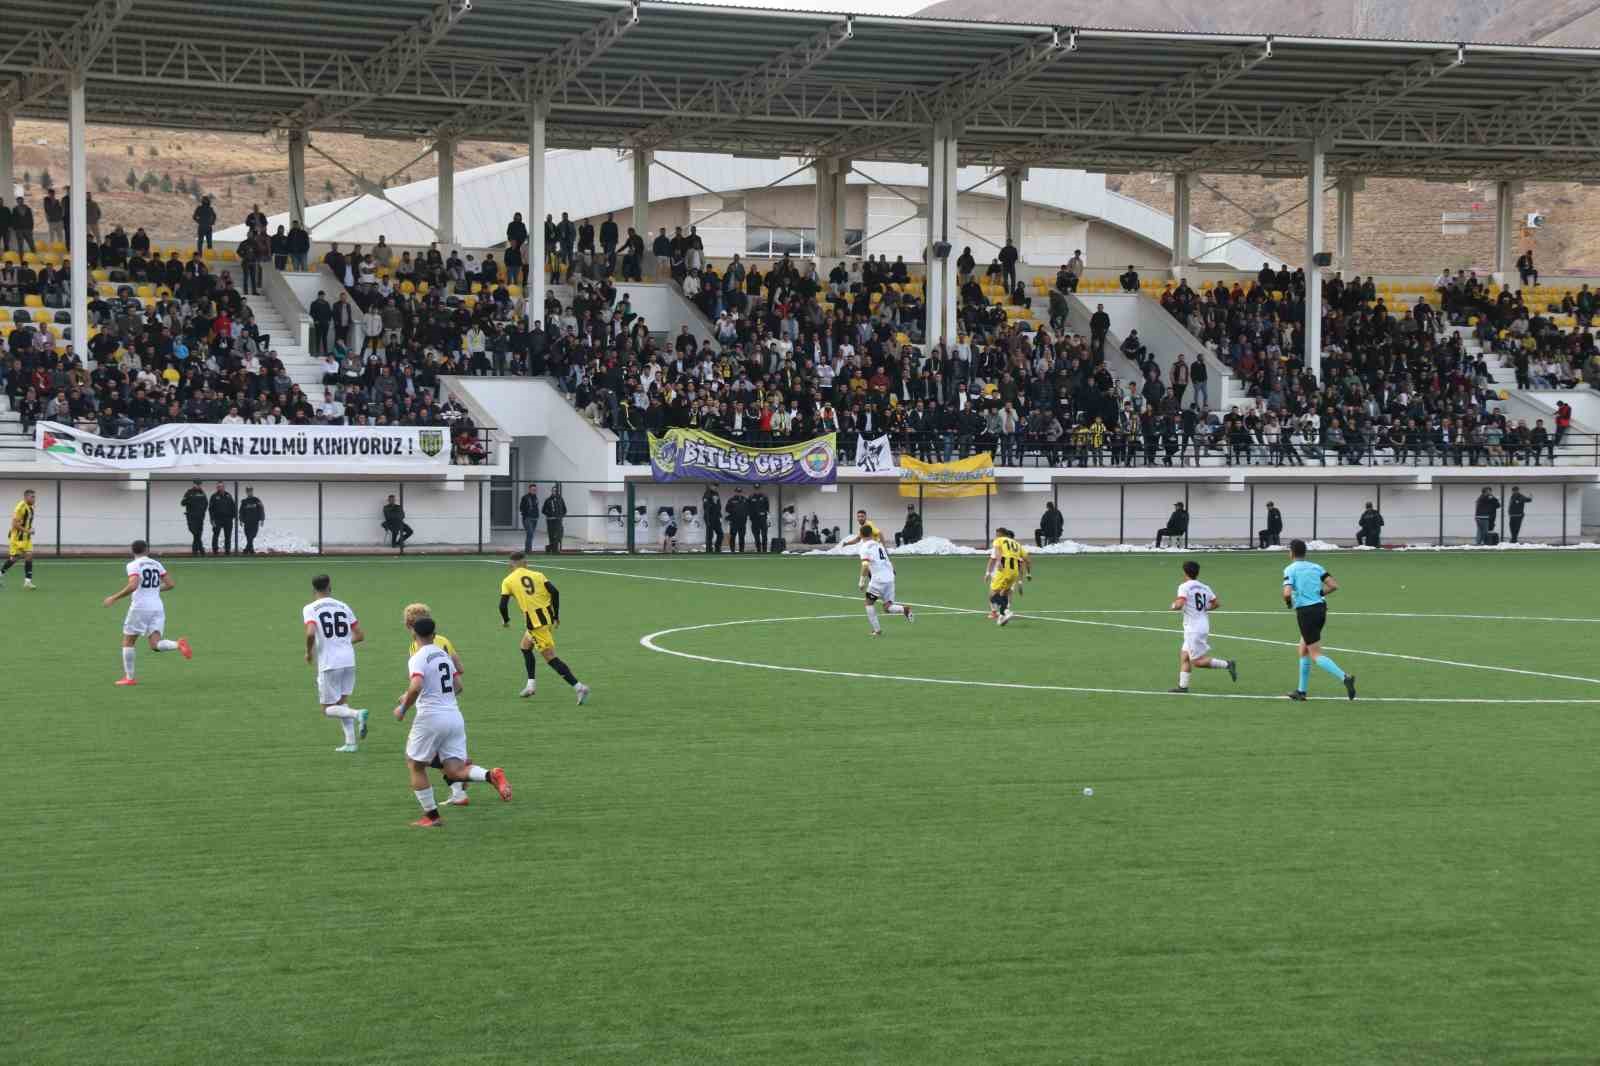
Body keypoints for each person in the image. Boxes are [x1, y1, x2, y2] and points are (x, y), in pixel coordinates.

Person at [394, 616, 512, 828]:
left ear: (414, 634)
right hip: (454, 716)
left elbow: (416, 685)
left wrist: (403, 707)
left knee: (415, 764)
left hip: (430, 718)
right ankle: (490, 775)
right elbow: (458, 686)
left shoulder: (418, 657)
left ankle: (432, 817)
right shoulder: (443, 655)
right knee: (454, 770)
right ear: (434, 633)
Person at [498, 552, 590, 704]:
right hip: (546, 618)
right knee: (525, 647)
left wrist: (506, 620)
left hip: (536, 625)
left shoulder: (508, 581)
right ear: (525, 563)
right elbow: (555, 592)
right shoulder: (538, 575)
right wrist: (556, 616)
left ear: (510, 565)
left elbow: (502, 605)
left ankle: (579, 687)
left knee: (550, 658)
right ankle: (530, 685)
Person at [403, 603, 470, 807]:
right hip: (449, 703)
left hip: (432, 709)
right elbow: (459, 668)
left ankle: (455, 788)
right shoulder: (443, 641)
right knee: (440, 752)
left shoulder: (417, 648)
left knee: (419, 758)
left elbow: (418, 682)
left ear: (410, 626)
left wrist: (405, 700)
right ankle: (458, 791)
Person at [103, 539, 193, 686]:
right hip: (157, 607)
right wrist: (154, 589)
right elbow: (171, 584)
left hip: (140, 607)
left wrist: (114, 597)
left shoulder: (133, 565)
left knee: (128, 641)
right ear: (147, 550)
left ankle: (129, 678)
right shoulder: (156, 564)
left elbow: (133, 585)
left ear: (133, 551)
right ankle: (178, 644)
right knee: (155, 644)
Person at [1282, 539, 1356, 701]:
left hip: (1306, 613)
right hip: (1321, 610)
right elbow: (1333, 585)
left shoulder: (1290, 569)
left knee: (1315, 654)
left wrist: (1288, 603)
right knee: (1303, 649)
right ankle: (1301, 691)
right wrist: (1319, 594)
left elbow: (1287, 593)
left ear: (1292, 553)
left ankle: (1345, 677)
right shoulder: (1316, 567)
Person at [302, 574, 368, 753]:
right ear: (330, 588)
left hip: (329, 662)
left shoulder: (310, 608)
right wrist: (343, 643)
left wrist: (309, 652)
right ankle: (351, 743)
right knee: (341, 702)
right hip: (349, 660)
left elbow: (310, 633)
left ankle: (357, 714)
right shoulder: (343, 606)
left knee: (328, 709)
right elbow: (359, 635)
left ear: (313, 590)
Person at [1168, 560, 1236, 693]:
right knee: (1185, 656)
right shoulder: (1205, 587)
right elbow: (1216, 603)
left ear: (1184, 572)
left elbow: (1180, 603)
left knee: (1197, 661)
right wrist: (1203, 608)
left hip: (1194, 629)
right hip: (1202, 624)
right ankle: (1183, 687)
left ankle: (1228, 664)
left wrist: (1173, 606)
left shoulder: (1184, 586)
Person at [854, 522, 912, 635]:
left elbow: (865, 565)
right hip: (890, 577)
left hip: (878, 580)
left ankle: (877, 630)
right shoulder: (879, 544)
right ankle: (904, 609)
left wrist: (861, 582)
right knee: (887, 607)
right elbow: (887, 559)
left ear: (861, 535)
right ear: (872, 533)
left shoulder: (864, 548)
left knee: (868, 603)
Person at [984, 526, 1031, 626]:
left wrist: (999, 561)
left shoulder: (999, 540)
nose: (996, 537)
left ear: (1001, 534)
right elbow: (1027, 559)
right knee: (1004, 593)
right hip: (1015, 572)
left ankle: (1006, 611)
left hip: (1004, 570)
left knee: (992, 595)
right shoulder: (1017, 544)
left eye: (997, 535)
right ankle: (1002, 616)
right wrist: (1028, 573)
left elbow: (997, 552)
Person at [3, 488, 36, 590]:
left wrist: (29, 530)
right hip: (18, 538)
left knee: (29, 555)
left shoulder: (31, 507)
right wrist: (28, 531)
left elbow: (25, 521)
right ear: (26, 497)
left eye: (34, 497)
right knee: (15, 558)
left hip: (26, 538)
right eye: (32, 497)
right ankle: (1, 572)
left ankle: (28, 582)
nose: (34, 499)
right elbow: (14, 524)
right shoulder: (20, 507)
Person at [208, 481, 237, 556]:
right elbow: (210, 509)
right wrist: (212, 519)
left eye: (221, 486)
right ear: (217, 487)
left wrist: (234, 516)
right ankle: (215, 551)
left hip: (228, 519)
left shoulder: (228, 495)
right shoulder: (214, 496)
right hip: (217, 519)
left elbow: (233, 506)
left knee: (228, 536)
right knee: (216, 535)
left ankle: (227, 551)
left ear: (224, 487)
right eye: (218, 486)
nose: (220, 488)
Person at [181, 480, 208, 555]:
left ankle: (195, 552)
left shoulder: (202, 493)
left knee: (198, 534)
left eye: (199, 484)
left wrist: (202, 512)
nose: (198, 486)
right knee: (194, 532)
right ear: (193, 484)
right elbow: (182, 503)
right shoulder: (189, 492)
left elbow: (206, 503)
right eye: (197, 484)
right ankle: (201, 549)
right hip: (191, 516)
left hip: (200, 517)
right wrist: (189, 500)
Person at [239, 487, 265, 554]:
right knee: (248, 536)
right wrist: (241, 520)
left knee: (252, 535)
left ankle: (246, 549)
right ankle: (251, 550)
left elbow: (261, 509)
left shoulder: (256, 500)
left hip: (255, 521)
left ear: (252, 492)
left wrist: (262, 519)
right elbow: (241, 512)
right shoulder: (244, 501)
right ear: (246, 492)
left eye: (250, 491)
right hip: (247, 522)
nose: (249, 492)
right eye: (248, 491)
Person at [541, 482, 567, 552]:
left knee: (559, 534)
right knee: (551, 535)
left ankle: (549, 547)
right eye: (553, 491)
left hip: (558, 520)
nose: (554, 492)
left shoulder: (560, 499)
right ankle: (554, 550)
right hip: (550, 520)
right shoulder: (548, 500)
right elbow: (543, 510)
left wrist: (561, 515)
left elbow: (564, 509)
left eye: (556, 491)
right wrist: (550, 514)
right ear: (551, 492)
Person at [748, 484, 771, 553]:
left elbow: (767, 509)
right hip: (754, 520)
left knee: (764, 535)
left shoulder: (765, 497)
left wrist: (768, 519)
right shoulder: (751, 497)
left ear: (760, 489)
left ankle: (764, 550)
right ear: (754, 489)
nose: (757, 490)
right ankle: (758, 550)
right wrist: (750, 517)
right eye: (755, 489)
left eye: (758, 489)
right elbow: (748, 508)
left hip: (763, 519)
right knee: (756, 536)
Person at [725, 488, 748, 552]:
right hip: (734, 522)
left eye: (740, 492)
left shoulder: (745, 500)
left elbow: (748, 509)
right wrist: (733, 513)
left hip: (742, 522)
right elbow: (727, 509)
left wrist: (745, 515)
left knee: (742, 537)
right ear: (735, 492)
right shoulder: (731, 500)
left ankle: (741, 550)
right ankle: (732, 550)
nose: (739, 493)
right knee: (732, 537)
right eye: (737, 492)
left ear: (741, 492)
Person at [519, 484, 540, 553]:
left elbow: (536, 508)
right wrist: (527, 513)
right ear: (529, 489)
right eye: (533, 489)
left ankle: (528, 549)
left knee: (530, 535)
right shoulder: (525, 497)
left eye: (535, 490)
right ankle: (528, 550)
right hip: (528, 518)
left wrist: (537, 515)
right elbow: (521, 508)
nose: (534, 491)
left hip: (535, 519)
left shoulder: (536, 498)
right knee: (530, 533)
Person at [702, 485, 723, 553]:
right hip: (709, 517)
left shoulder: (717, 494)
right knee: (709, 535)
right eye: (714, 486)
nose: (715, 488)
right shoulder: (706, 494)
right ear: (710, 486)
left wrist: (720, 515)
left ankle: (717, 548)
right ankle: (709, 550)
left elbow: (719, 506)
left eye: (716, 487)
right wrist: (707, 520)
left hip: (716, 517)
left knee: (720, 534)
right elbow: (706, 508)